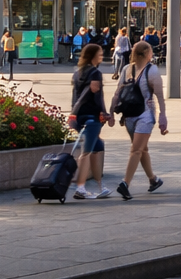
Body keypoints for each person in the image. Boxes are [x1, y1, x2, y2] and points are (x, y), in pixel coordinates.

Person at [114, 40, 167, 200]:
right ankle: (125, 183)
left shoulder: (126, 69)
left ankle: (153, 180)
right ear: (147, 54)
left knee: (141, 148)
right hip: (145, 115)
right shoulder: (152, 70)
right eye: (151, 51)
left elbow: (117, 92)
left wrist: (111, 111)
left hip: (129, 115)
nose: (152, 54)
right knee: (138, 149)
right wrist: (162, 116)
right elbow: (159, 96)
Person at [68, 43, 113, 199]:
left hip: (80, 116)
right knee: (86, 152)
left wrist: (73, 114)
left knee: (97, 147)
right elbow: (96, 96)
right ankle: (80, 187)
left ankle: (100, 186)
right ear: (92, 56)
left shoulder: (77, 73)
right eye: (99, 54)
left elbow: (75, 97)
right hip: (91, 118)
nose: (101, 56)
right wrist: (105, 113)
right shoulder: (95, 73)